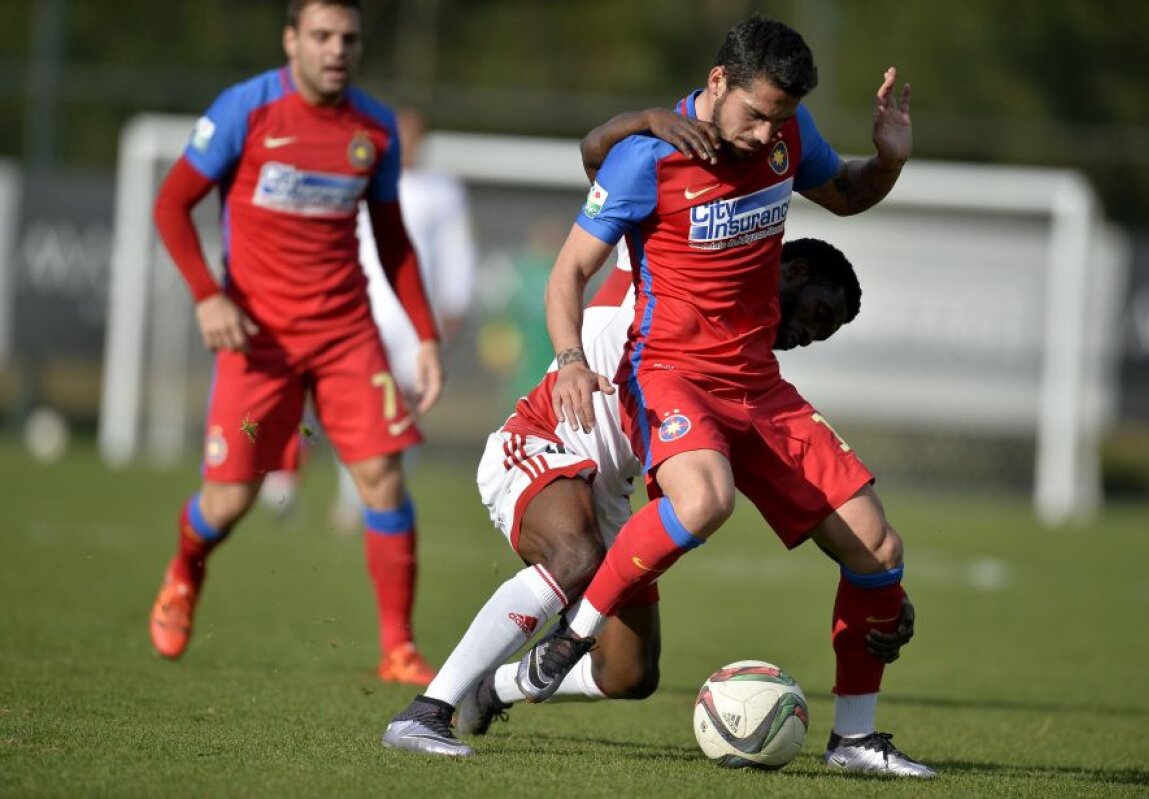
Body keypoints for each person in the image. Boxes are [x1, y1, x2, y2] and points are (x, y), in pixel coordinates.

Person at [521, 16, 931, 777]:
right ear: (717, 83)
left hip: (758, 383)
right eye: (756, 112)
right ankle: (574, 632)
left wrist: (888, 163)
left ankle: (855, 739)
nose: (767, 132)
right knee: (706, 498)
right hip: (670, 371)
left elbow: (843, 192)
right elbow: (568, 272)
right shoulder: (650, 158)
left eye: (781, 117)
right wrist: (572, 358)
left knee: (878, 547)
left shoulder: (787, 133)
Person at [147, 0, 443, 686]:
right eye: (321, 36)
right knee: (229, 500)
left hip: (347, 338)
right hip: (259, 343)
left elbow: (393, 240)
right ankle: (184, 570)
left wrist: (424, 336)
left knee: (383, 478)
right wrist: (207, 294)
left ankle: (398, 647)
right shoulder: (244, 111)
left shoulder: (375, 127)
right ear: (292, 41)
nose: (336, 49)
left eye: (349, 38)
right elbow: (170, 204)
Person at [259, 107, 479, 531]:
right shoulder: (358, 181)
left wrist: (451, 312)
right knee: (344, 404)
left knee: (397, 416)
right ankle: (316, 486)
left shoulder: (442, 191)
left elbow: (456, 257)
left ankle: (366, 501)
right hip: (357, 313)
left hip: (415, 325)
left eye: (411, 136)